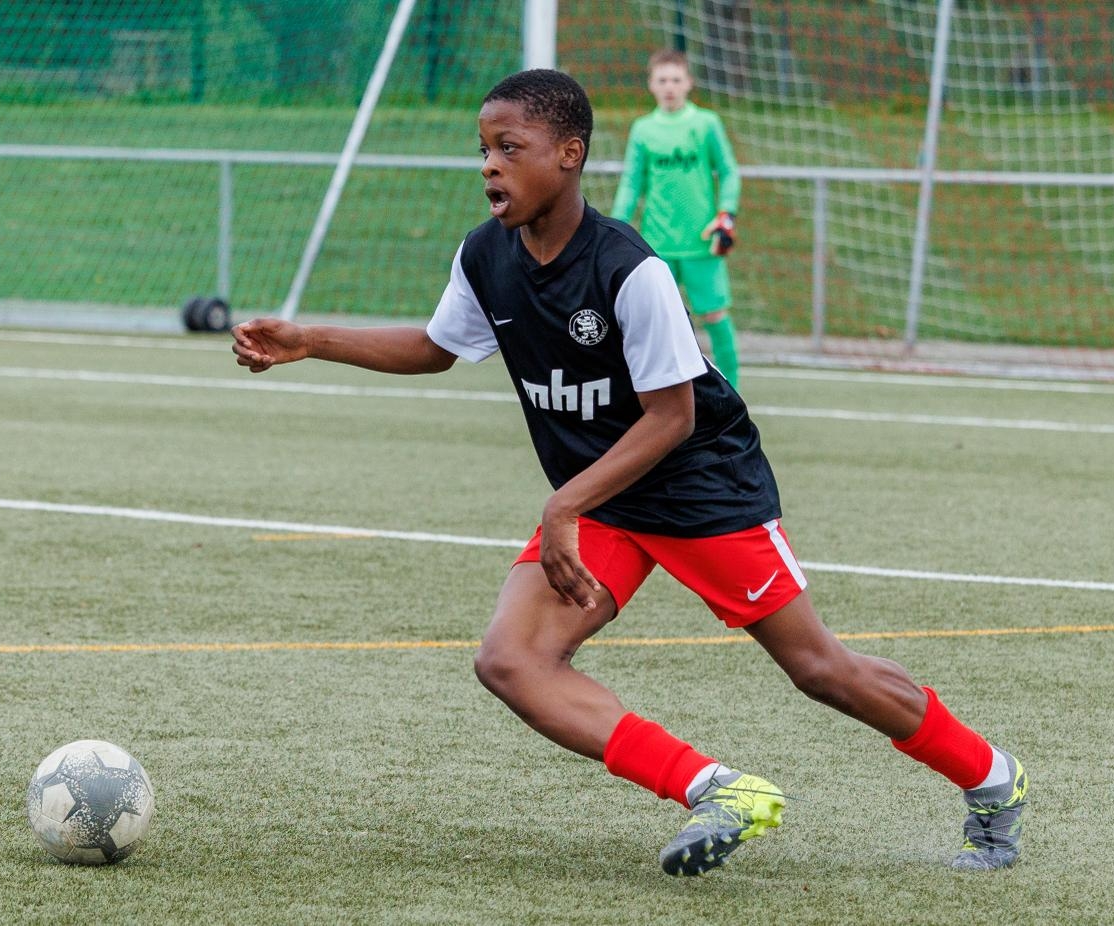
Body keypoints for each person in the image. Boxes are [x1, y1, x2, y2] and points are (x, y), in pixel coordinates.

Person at [231, 69, 1027, 876]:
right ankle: (717, 790)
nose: (490, 166)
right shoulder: (485, 256)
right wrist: (311, 341)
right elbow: (438, 347)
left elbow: (672, 417)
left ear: (569, 154)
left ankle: (992, 777)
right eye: (483, 150)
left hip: (699, 486)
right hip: (604, 499)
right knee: (511, 660)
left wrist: (563, 507)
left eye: (510, 148)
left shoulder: (628, 269)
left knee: (820, 670)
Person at [611, 48, 743, 390]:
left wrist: (726, 215)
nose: (669, 86)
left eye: (675, 79)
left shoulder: (706, 123)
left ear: (688, 83)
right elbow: (632, 183)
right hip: (657, 247)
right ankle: (650, 394)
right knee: (652, 324)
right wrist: (616, 226)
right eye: (662, 80)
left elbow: (729, 172)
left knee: (715, 316)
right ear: (651, 85)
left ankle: (733, 394)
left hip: (702, 243)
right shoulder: (643, 129)